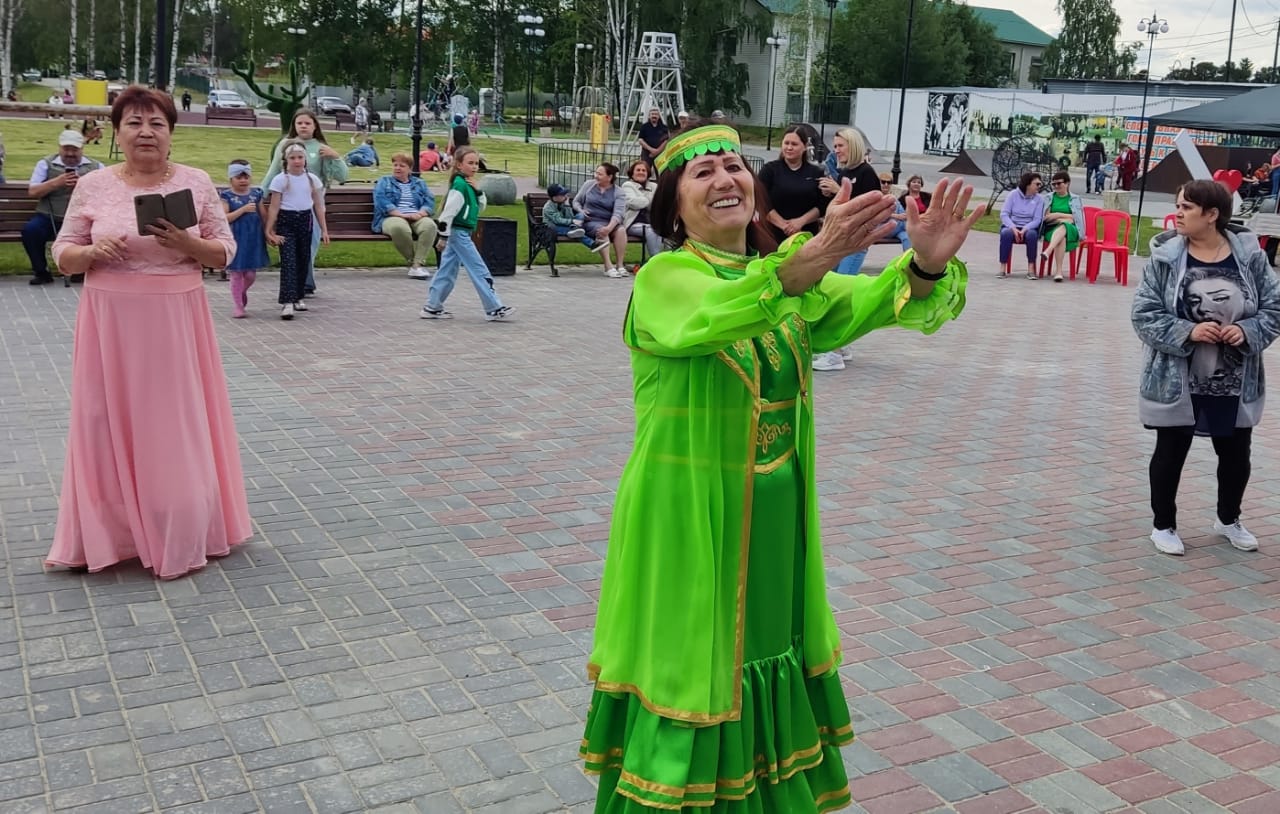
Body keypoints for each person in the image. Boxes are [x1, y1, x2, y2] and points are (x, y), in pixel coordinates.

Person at [580, 120, 982, 812]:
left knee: (764, 651)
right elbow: (717, 314)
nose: (725, 179)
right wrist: (817, 252)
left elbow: (865, 303)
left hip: (773, 520)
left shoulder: (783, 282)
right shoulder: (667, 279)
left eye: (734, 166)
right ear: (673, 205)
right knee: (695, 664)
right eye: (703, 173)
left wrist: (923, 267)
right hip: (688, 516)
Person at [42, 85, 251, 579]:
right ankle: (108, 532)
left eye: (157, 124)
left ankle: (178, 524)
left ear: (171, 134)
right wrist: (92, 253)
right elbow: (63, 253)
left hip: (176, 318)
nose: (146, 133)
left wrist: (186, 243)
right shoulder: (94, 185)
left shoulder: (196, 182)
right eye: (134, 123)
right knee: (103, 420)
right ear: (117, 134)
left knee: (173, 423)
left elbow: (225, 251)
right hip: (109, 320)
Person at [1132, 179, 1280, 557]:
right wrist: (1189, 331)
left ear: (1212, 214)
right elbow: (1144, 314)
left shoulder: (1250, 258)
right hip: (1177, 378)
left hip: (1235, 379)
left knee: (1235, 455)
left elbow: (1274, 307)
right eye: (1178, 205)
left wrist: (1246, 331)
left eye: (1187, 207)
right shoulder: (1165, 258)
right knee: (1170, 452)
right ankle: (1163, 525)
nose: (1178, 214)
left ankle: (1228, 519)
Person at [420, 146, 514, 322]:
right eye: (470, 163)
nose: (474, 167)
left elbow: (480, 207)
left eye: (476, 163)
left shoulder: (468, 185)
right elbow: (448, 213)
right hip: (459, 234)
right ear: (458, 165)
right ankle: (493, 307)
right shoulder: (460, 186)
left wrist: (478, 191)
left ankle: (432, 306)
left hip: (460, 233)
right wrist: (443, 237)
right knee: (478, 269)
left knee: (447, 271)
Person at [263, 109, 348, 297]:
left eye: (307, 123)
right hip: (288, 205)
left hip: (311, 206)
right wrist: (261, 194)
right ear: (294, 125)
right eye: (299, 123)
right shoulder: (285, 145)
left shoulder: (320, 147)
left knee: (308, 246)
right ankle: (296, 285)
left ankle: (305, 283)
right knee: (290, 248)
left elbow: (342, 176)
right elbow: (273, 170)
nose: (303, 126)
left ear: (315, 126)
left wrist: (335, 156)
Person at [23, 129, 104, 285]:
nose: (70, 153)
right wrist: (56, 182)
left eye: (74, 149)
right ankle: (42, 272)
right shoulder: (45, 164)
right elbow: (33, 192)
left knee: (99, 230)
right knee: (31, 231)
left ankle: (80, 270)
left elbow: (107, 194)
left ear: (82, 149)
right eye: (66, 149)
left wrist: (84, 186)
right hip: (50, 216)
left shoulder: (96, 166)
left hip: (82, 219)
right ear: (59, 148)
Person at [265, 140, 329, 320]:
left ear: (305, 159)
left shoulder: (312, 180)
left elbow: (319, 206)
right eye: (292, 158)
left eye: (300, 157)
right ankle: (287, 301)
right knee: (289, 261)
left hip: (305, 220)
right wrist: (269, 230)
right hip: (287, 221)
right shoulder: (280, 180)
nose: (297, 161)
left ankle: (299, 295)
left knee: (303, 259)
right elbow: (274, 207)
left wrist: (324, 229)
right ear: (286, 160)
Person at [372, 152, 438, 279]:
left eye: (402, 166)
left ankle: (417, 265)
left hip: (416, 216)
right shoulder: (384, 181)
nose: (397, 168)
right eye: (395, 165)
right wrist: (400, 214)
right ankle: (414, 264)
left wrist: (420, 214)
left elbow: (429, 201)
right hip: (391, 217)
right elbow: (381, 201)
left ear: (410, 169)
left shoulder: (419, 183)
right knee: (399, 228)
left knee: (430, 225)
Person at [759, 125, 828, 243]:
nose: (789, 147)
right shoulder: (769, 170)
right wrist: (784, 225)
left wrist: (800, 222)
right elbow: (760, 201)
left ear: (805, 146)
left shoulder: (816, 172)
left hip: (805, 236)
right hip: (773, 235)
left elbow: (823, 204)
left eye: (794, 144)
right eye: (786, 143)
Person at [220, 159, 269, 318]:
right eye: (239, 177)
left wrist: (268, 231)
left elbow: (263, 215)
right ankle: (238, 305)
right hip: (236, 238)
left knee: (250, 274)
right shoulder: (227, 196)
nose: (243, 180)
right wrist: (242, 210)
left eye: (246, 177)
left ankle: (241, 291)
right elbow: (225, 218)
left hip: (253, 239)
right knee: (237, 272)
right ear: (231, 179)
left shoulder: (256, 195)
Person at [573, 163, 629, 278]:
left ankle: (620, 265)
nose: (596, 176)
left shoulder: (619, 192)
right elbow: (576, 201)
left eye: (600, 174)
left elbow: (618, 213)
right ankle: (608, 266)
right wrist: (581, 211)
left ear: (610, 177)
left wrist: (609, 227)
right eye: (596, 173)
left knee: (621, 230)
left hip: (610, 222)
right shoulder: (588, 185)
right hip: (591, 221)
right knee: (601, 231)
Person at [998, 171, 1045, 279]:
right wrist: (1013, 228)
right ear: (1028, 184)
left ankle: (1031, 269)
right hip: (1012, 225)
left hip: (1029, 227)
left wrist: (1025, 229)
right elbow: (1004, 214)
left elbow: (1037, 219)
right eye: (1037, 184)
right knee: (1006, 234)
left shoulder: (1039, 199)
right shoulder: (1013, 195)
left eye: (1040, 184)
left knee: (1032, 235)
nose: (1039, 186)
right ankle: (1002, 268)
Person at [1039, 170, 1084, 282]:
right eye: (1053, 184)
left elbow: (1076, 218)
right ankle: (1058, 272)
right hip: (1052, 229)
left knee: (1065, 225)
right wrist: (1065, 218)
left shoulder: (1075, 199)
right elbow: (1046, 217)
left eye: (1059, 183)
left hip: (1072, 229)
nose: (1056, 186)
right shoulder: (1049, 197)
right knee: (1062, 236)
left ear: (1067, 183)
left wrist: (1057, 215)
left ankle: (1048, 251)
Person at [620, 160, 663, 261]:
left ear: (648, 173)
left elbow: (657, 205)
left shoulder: (654, 186)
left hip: (651, 221)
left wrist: (644, 200)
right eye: (638, 170)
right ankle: (656, 260)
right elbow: (634, 203)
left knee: (663, 230)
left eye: (644, 170)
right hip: (632, 223)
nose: (641, 172)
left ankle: (667, 259)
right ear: (632, 173)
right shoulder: (627, 185)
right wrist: (649, 199)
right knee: (651, 230)